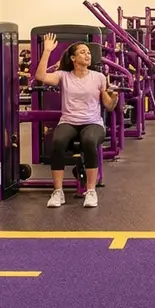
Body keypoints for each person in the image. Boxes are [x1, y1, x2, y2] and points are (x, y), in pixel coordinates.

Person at [34, 33, 118, 208]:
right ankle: (58, 192)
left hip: (93, 122)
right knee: (57, 142)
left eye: (88, 52)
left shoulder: (99, 77)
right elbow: (40, 76)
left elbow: (108, 106)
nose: (87, 55)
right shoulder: (63, 76)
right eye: (82, 52)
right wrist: (47, 51)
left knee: (89, 142)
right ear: (73, 58)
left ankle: (91, 191)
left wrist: (114, 98)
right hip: (69, 121)